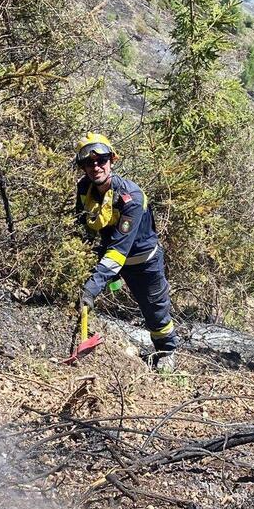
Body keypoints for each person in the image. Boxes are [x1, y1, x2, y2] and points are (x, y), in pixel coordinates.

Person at [73, 133, 179, 371]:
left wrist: (94, 284)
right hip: (109, 255)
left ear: (112, 160)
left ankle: (166, 352)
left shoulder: (131, 198)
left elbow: (120, 250)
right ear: (82, 167)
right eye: (89, 162)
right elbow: (81, 225)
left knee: (154, 309)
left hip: (143, 261)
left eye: (101, 159)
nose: (96, 166)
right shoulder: (84, 189)